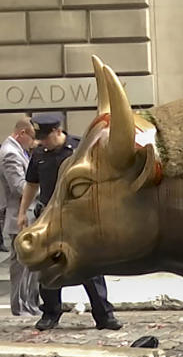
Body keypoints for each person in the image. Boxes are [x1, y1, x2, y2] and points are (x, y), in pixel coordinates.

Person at [17, 113, 122, 331]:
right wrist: (22, 212)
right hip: (48, 215)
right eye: (40, 138)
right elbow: (31, 184)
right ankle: (50, 313)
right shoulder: (39, 154)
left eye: (46, 137)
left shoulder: (79, 148)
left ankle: (104, 314)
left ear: (58, 131)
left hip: (78, 216)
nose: (43, 142)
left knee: (88, 264)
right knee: (47, 264)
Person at [0, 118, 41, 316]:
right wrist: (45, 187)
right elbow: (20, 187)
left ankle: (30, 303)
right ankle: (20, 305)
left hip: (27, 215)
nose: (33, 143)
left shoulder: (18, 151)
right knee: (21, 266)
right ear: (21, 133)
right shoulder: (10, 154)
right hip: (19, 217)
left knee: (30, 266)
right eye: (31, 138)